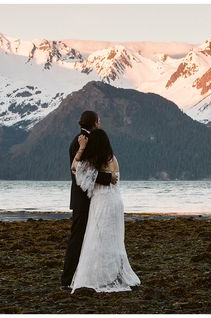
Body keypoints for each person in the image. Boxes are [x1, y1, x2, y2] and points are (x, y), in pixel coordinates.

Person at [69, 129, 140, 293]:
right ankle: (113, 274)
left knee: (97, 239)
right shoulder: (112, 158)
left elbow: (75, 167)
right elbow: (111, 178)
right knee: (113, 241)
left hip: (102, 202)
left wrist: (81, 147)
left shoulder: (95, 161)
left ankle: (101, 277)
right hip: (115, 202)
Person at [61, 111, 118, 288]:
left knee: (88, 239)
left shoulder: (81, 140)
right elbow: (84, 171)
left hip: (87, 198)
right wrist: (108, 179)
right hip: (83, 199)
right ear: (94, 123)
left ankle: (80, 276)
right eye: (98, 121)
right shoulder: (83, 142)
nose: (100, 123)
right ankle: (68, 279)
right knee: (78, 240)